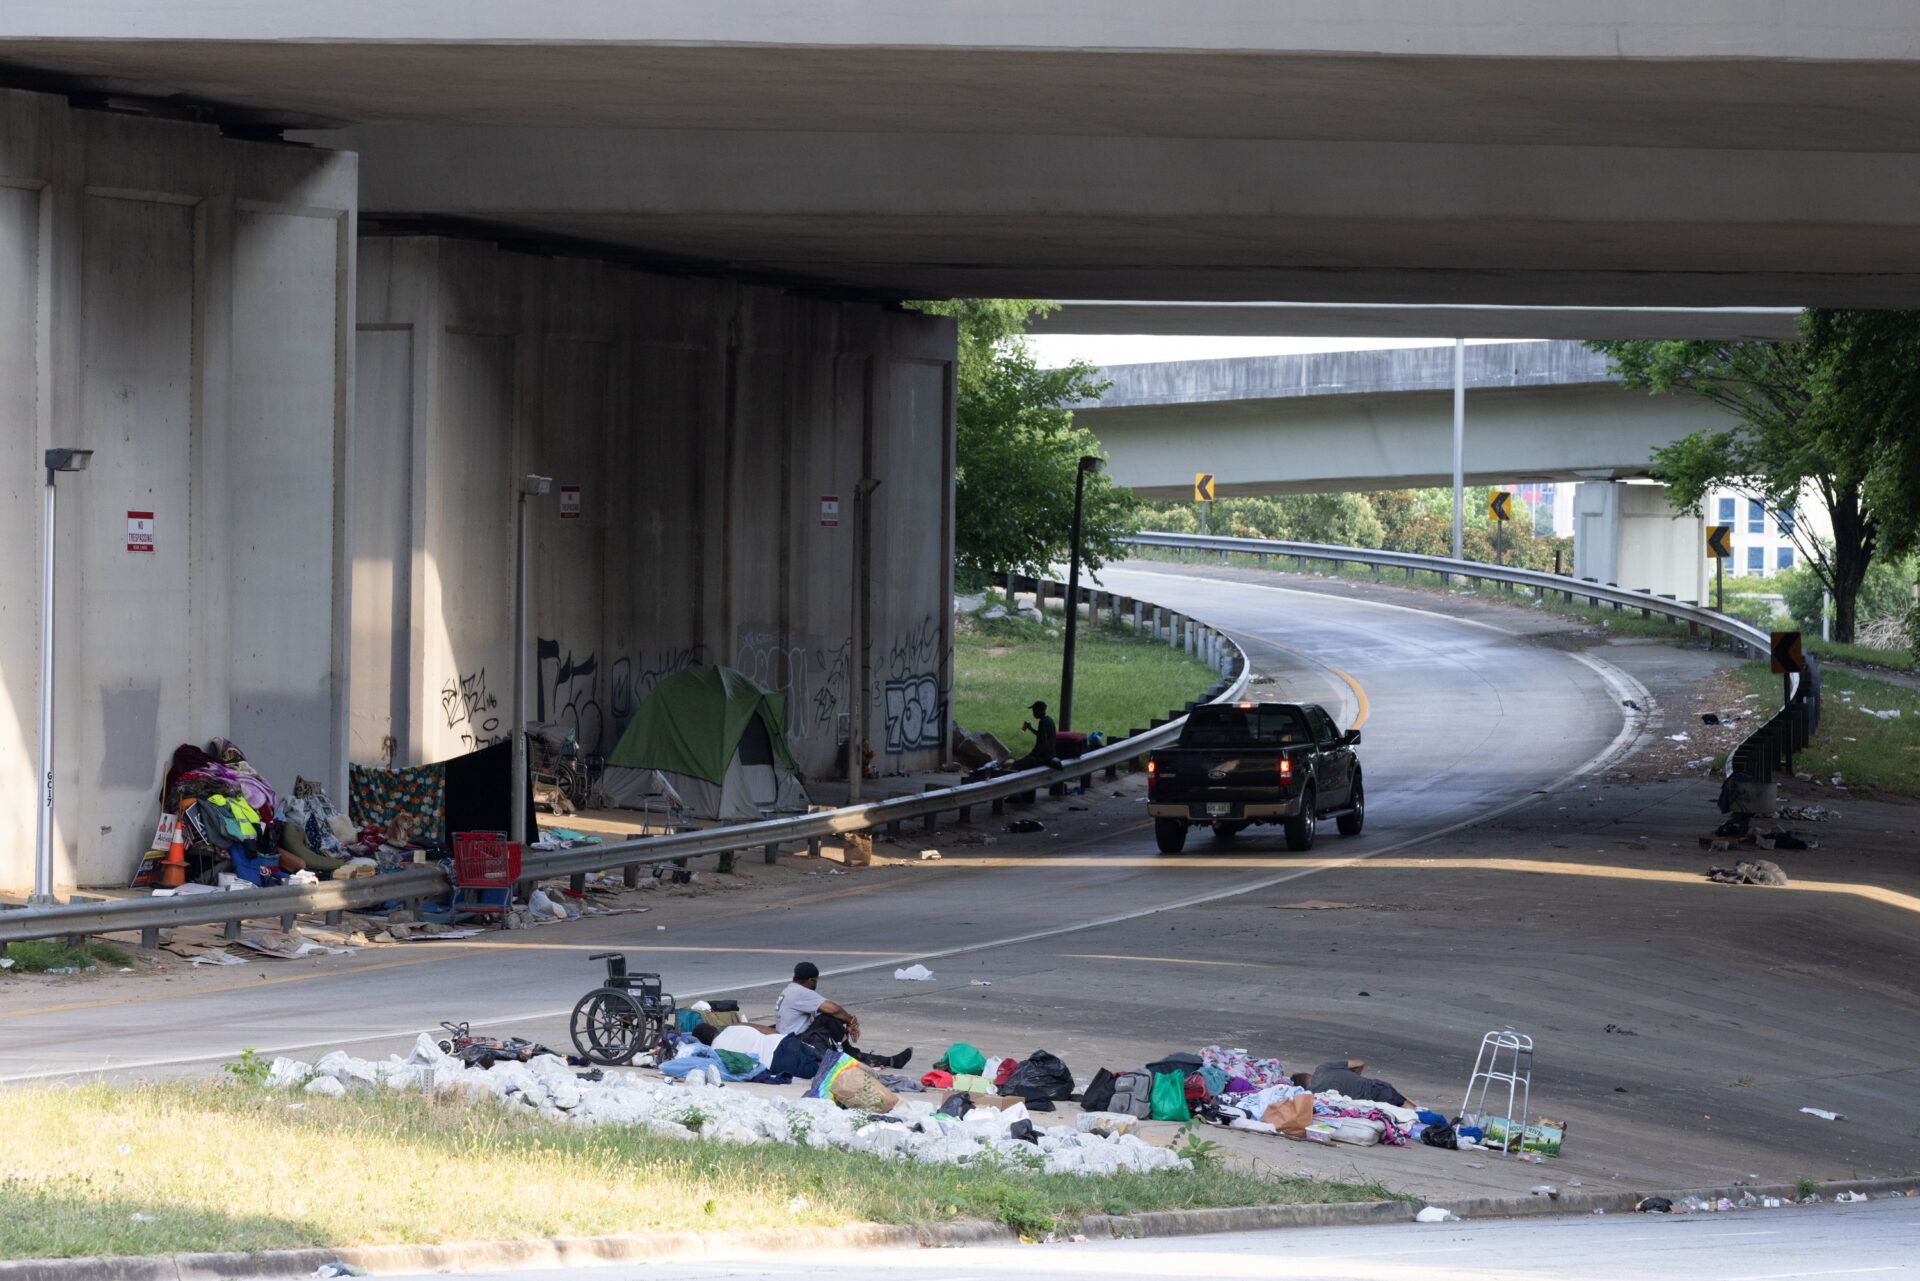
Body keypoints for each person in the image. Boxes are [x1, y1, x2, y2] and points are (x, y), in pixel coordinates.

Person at [774, 961, 911, 1069]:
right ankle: (851, 1052)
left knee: (830, 1022)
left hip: (791, 1038)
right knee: (828, 1017)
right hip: (797, 1042)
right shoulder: (801, 992)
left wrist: (843, 1028)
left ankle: (889, 1061)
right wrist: (851, 1020)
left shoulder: (790, 990)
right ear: (811, 981)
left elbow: (818, 1014)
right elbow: (833, 1009)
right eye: (816, 981)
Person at [1291, 1058, 1413, 1108]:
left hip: (1370, 1106)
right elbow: (1359, 1063)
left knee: (1408, 1112)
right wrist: (1354, 1077)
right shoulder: (1323, 1068)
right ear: (1307, 1075)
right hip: (1377, 1091)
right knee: (1415, 1111)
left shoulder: (1316, 1097)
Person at [1010, 700, 1059, 770]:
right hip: (1050, 754)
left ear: (1040, 710)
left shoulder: (1043, 722)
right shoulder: (1049, 720)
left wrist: (1034, 756)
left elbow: (1043, 742)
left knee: (1016, 765)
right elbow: (1041, 735)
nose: (1033, 713)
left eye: (1034, 710)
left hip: (1043, 757)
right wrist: (1030, 728)